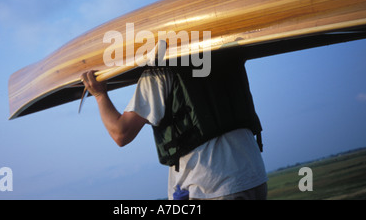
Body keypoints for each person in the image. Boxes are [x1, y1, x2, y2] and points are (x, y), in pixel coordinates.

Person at [80, 56, 268, 200]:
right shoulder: (225, 56)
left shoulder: (159, 72)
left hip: (212, 186)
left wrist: (99, 95)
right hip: (255, 177)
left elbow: (121, 133)